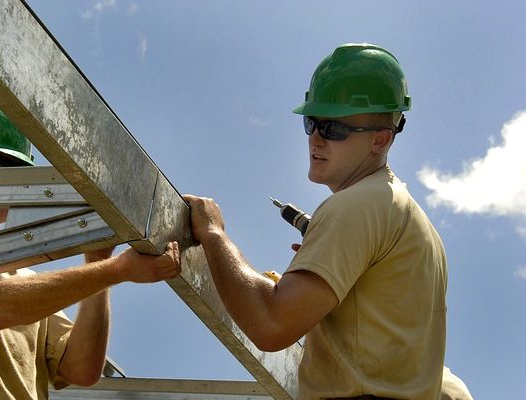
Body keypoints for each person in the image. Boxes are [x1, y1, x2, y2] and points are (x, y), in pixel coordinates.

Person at [185, 43, 447, 399]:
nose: (316, 139)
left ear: (380, 139)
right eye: (312, 123)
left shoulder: (357, 206)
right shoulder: (404, 215)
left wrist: (214, 235)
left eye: (334, 129)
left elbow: (271, 324)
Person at [0, 99, 181, 400]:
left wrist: (97, 263)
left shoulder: (24, 279)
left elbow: (80, 369)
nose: (15, 181)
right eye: (0, 166)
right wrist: (115, 270)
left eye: (19, 169)